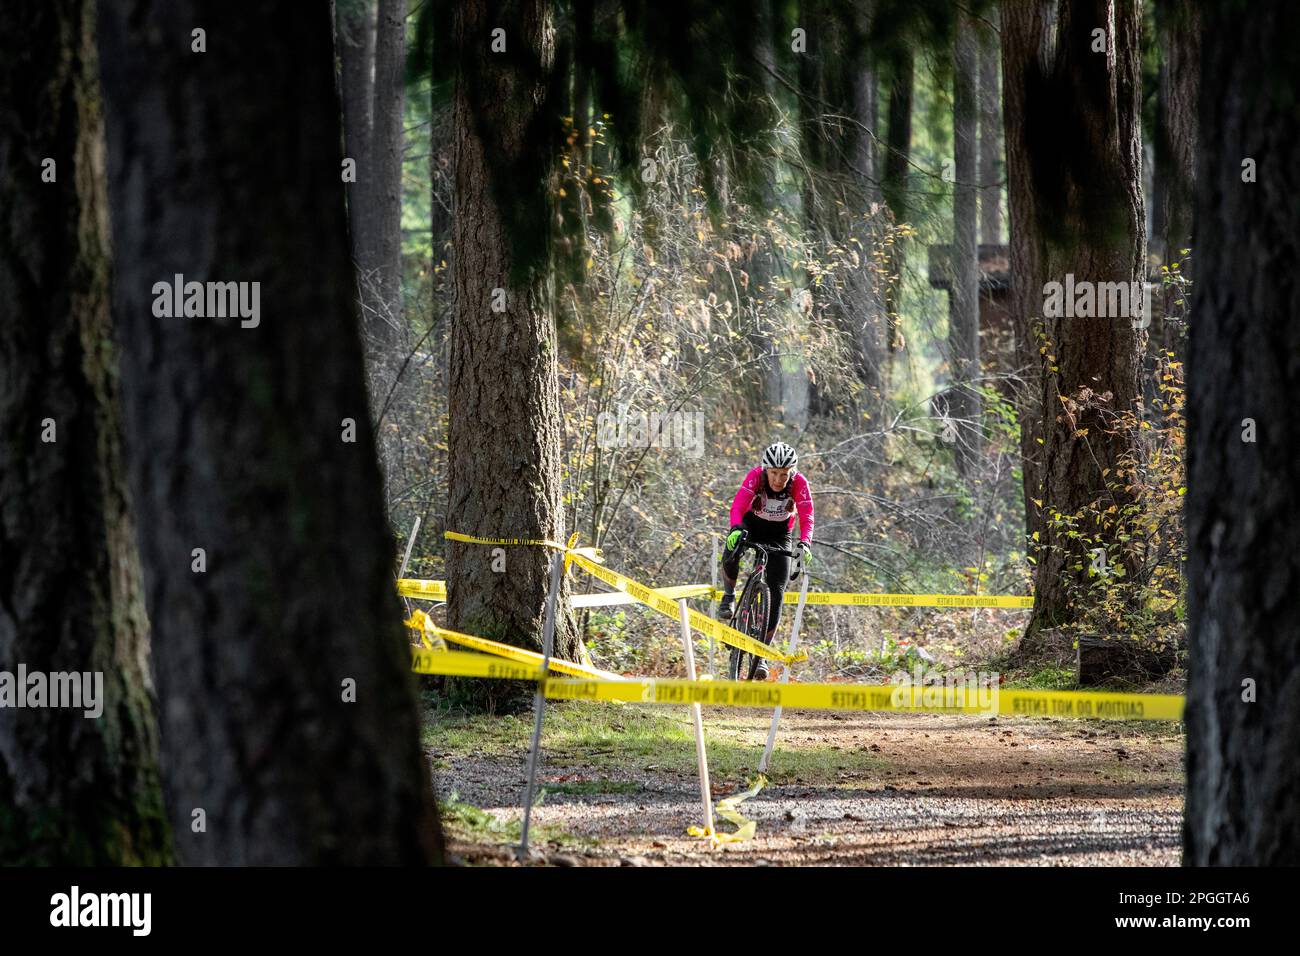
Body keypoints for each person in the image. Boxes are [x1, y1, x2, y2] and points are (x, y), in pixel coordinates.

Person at [719, 441, 813, 680]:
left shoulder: (799, 483)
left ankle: (761, 655)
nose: (779, 480)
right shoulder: (756, 477)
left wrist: (805, 543)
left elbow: (807, 515)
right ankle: (729, 596)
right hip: (752, 525)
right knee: (731, 548)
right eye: (774, 473)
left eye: (784, 474)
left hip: (780, 533)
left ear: (791, 472)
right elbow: (738, 505)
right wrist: (735, 528)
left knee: (777, 591)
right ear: (766, 470)